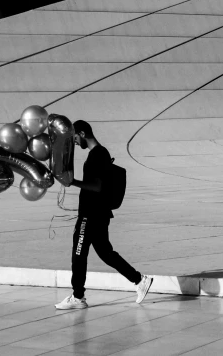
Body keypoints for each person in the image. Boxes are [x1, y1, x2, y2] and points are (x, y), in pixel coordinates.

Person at [55, 120, 153, 309]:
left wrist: (72, 182)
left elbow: (97, 186)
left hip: (91, 214)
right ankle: (140, 280)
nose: (74, 142)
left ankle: (78, 297)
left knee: (79, 253)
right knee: (106, 253)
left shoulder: (97, 155)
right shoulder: (100, 153)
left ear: (82, 133)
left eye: (75, 137)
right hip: (98, 213)